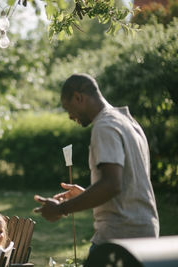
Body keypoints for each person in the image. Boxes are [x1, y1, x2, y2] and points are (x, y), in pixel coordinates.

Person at [34, 73, 159, 251]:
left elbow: (111, 184)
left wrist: (61, 209)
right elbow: (124, 185)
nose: (70, 116)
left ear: (78, 97)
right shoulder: (128, 122)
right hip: (143, 230)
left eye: (67, 107)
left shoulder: (105, 126)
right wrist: (86, 193)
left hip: (119, 236)